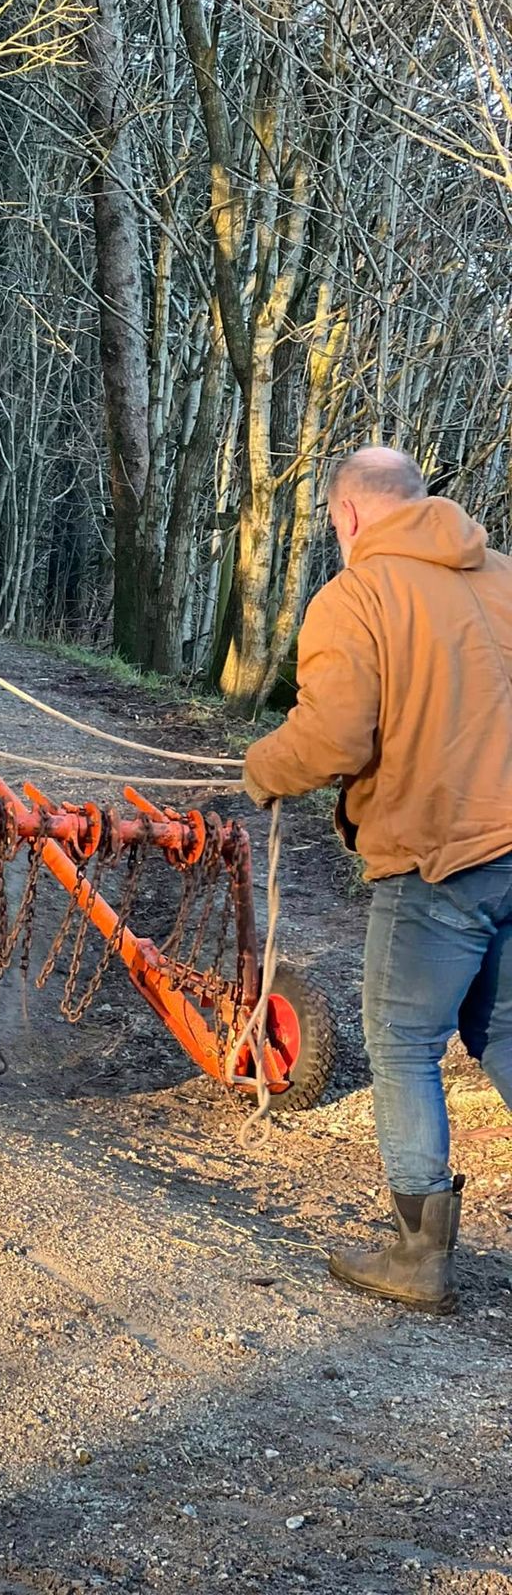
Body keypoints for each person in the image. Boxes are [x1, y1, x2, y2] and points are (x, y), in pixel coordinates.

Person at [243, 446, 512, 1314]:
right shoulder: (502, 574)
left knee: (401, 1045)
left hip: (437, 860)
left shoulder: (355, 597)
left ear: (348, 516)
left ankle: (417, 1253)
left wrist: (263, 768)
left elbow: (334, 740)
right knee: (505, 1034)